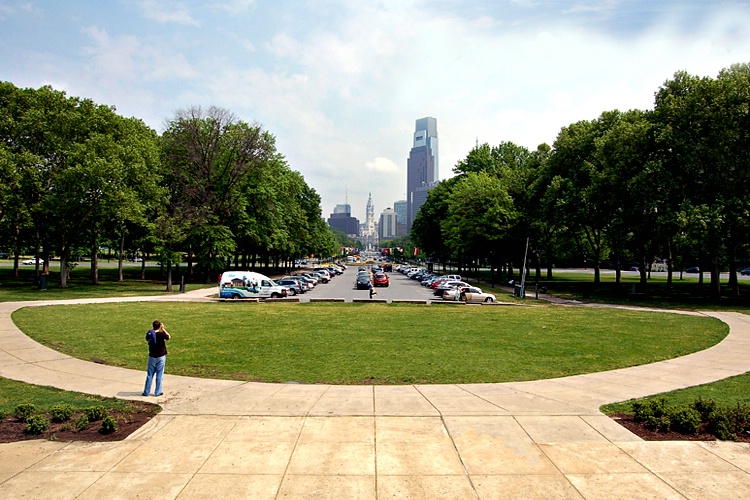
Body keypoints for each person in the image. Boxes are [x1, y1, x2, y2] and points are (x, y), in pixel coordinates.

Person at [143, 320, 171, 397]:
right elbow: (168, 337)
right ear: (159, 326)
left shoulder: (150, 335)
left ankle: (146, 391)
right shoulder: (161, 334)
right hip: (161, 356)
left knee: (150, 374)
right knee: (159, 375)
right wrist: (163, 329)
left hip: (152, 356)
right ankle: (157, 392)